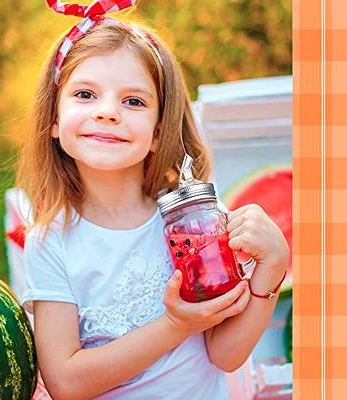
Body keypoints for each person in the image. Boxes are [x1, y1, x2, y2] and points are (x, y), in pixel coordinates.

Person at [17, 1, 290, 399]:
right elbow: (65, 382)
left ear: (159, 132)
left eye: (134, 101)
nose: (108, 112)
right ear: (54, 120)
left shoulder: (197, 222)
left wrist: (273, 267)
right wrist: (177, 325)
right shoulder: (51, 241)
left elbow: (226, 355)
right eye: (85, 94)